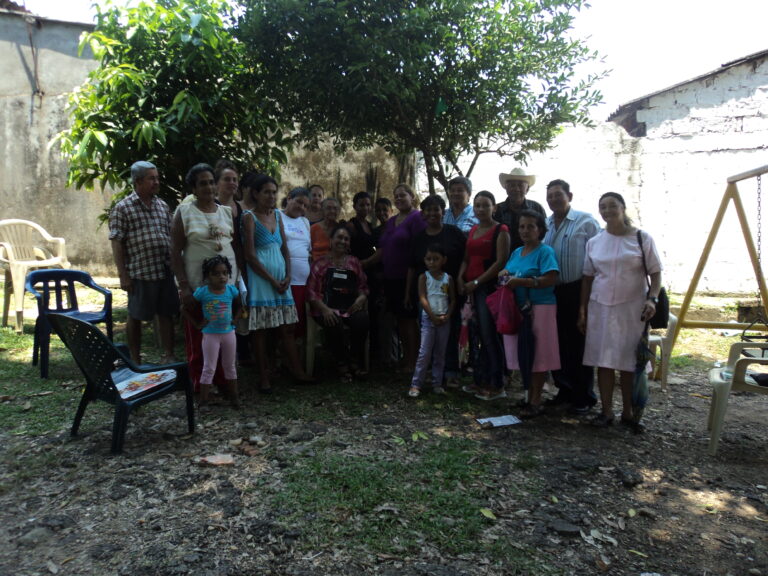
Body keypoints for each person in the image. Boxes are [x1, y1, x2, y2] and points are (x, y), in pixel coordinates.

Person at [578, 192, 663, 427]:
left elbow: (656, 274)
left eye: (612, 205)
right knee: (603, 360)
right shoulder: (595, 242)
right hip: (600, 308)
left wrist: (652, 299)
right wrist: (582, 310)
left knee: (629, 361)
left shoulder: (641, 238)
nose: (607, 211)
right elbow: (587, 278)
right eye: (602, 207)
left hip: (633, 309)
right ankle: (606, 412)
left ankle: (628, 412)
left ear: (623, 208)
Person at [171, 163, 239, 391]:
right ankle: (201, 388)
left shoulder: (226, 212)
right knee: (201, 338)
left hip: (225, 288)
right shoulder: (184, 212)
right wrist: (184, 287)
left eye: (211, 182)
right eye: (202, 183)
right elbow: (175, 251)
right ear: (193, 188)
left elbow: (234, 247)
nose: (208, 187)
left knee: (223, 337)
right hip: (197, 288)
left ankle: (222, 383)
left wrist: (237, 283)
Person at [242, 174, 312, 391]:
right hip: (261, 281)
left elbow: (284, 249)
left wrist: (288, 275)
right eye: (266, 192)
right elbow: (250, 255)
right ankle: (264, 377)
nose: (271, 196)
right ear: (256, 193)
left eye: (274, 192)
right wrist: (272, 280)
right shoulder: (249, 218)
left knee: (287, 328)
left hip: (282, 279)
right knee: (261, 331)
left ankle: (298, 372)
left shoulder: (278, 217)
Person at [109, 161, 179, 364]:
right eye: (152, 179)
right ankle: (135, 358)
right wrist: (123, 274)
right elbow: (117, 243)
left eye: (157, 178)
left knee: (166, 313)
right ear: (138, 181)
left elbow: (170, 235)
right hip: (140, 272)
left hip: (164, 269)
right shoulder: (123, 208)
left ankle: (168, 355)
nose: (156, 182)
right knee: (136, 315)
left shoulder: (162, 205)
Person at [543, 179, 601, 413]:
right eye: (550, 196)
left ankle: (584, 396)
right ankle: (564, 390)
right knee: (557, 342)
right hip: (552, 291)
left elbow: (598, 257)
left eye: (558, 195)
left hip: (578, 289)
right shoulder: (546, 224)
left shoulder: (585, 222)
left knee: (579, 343)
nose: (554, 200)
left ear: (570, 196)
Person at [499, 210, 560, 417]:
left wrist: (525, 282)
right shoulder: (517, 252)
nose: (525, 230)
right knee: (524, 352)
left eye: (531, 226)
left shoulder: (545, 252)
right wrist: (504, 274)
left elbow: (551, 278)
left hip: (540, 308)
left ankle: (535, 400)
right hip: (518, 309)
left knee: (539, 354)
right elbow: (507, 274)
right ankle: (527, 396)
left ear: (540, 230)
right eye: (522, 226)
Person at [406, 195, 466, 387]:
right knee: (428, 334)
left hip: (450, 292)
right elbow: (412, 267)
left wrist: (461, 278)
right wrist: (407, 293)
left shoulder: (454, 233)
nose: (432, 213)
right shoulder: (418, 238)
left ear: (443, 211)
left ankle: (451, 371)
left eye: (436, 209)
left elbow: (466, 258)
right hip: (425, 294)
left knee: (451, 331)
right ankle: (431, 373)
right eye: (428, 210)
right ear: (423, 214)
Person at [458, 190, 510, 400]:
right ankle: (480, 379)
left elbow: (501, 262)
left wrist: (477, 282)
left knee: (489, 336)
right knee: (475, 335)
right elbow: (466, 258)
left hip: (488, 289)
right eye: (477, 205)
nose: (481, 209)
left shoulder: (501, 230)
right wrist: (460, 278)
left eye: (485, 205)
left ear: (494, 207)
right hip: (470, 290)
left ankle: (497, 384)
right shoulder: (473, 230)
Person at [375, 183, 427, 373]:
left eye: (402, 195)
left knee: (409, 320)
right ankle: (406, 358)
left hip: (409, 278)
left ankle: (414, 362)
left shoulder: (417, 218)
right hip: (391, 278)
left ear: (412, 196)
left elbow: (421, 248)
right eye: (396, 196)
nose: (398, 198)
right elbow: (382, 249)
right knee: (400, 320)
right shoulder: (392, 221)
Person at [307, 225, 370, 381]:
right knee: (333, 321)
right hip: (324, 308)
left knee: (362, 319)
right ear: (331, 240)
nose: (342, 241)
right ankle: (341, 363)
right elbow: (312, 292)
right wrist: (325, 309)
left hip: (349, 308)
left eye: (346, 239)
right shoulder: (319, 264)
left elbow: (363, 287)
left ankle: (354, 360)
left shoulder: (354, 262)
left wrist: (361, 298)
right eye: (339, 237)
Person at [184, 255, 240, 408]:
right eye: (216, 274)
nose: (221, 277)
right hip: (210, 335)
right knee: (209, 367)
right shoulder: (203, 292)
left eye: (225, 273)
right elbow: (185, 309)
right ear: (208, 276)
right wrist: (197, 324)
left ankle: (234, 398)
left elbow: (240, 305)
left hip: (229, 334)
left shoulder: (231, 290)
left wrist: (236, 319)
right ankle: (203, 400)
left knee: (230, 366)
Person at [409, 244, 456, 397]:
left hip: (444, 320)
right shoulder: (424, 277)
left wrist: (447, 315)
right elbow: (422, 298)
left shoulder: (448, 278)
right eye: (428, 259)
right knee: (424, 352)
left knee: (440, 353)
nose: (432, 262)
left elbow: (452, 299)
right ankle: (416, 384)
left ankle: (437, 383)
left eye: (436, 259)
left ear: (444, 260)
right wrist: (433, 316)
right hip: (429, 319)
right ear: (424, 260)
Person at [281, 186, 312, 337]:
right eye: (299, 202)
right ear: (289, 198)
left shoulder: (305, 222)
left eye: (305, 205)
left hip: (302, 283)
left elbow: (307, 250)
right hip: (284, 281)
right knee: (283, 325)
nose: (301, 207)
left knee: (295, 327)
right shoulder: (276, 216)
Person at [494, 168, 546, 251]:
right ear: (506, 188)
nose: (516, 189)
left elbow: (545, 234)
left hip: (532, 255)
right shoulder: (497, 209)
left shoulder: (536, 208)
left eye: (520, 185)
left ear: (527, 189)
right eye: (512, 185)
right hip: (502, 256)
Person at [346, 191, 376, 264]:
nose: (365, 208)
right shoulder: (351, 225)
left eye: (368, 205)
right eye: (362, 205)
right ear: (354, 207)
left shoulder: (370, 225)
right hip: (357, 265)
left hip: (370, 265)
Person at [310, 197, 342, 261]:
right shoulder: (313, 228)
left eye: (335, 208)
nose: (332, 211)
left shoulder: (341, 229)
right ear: (322, 210)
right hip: (317, 265)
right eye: (328, 208)